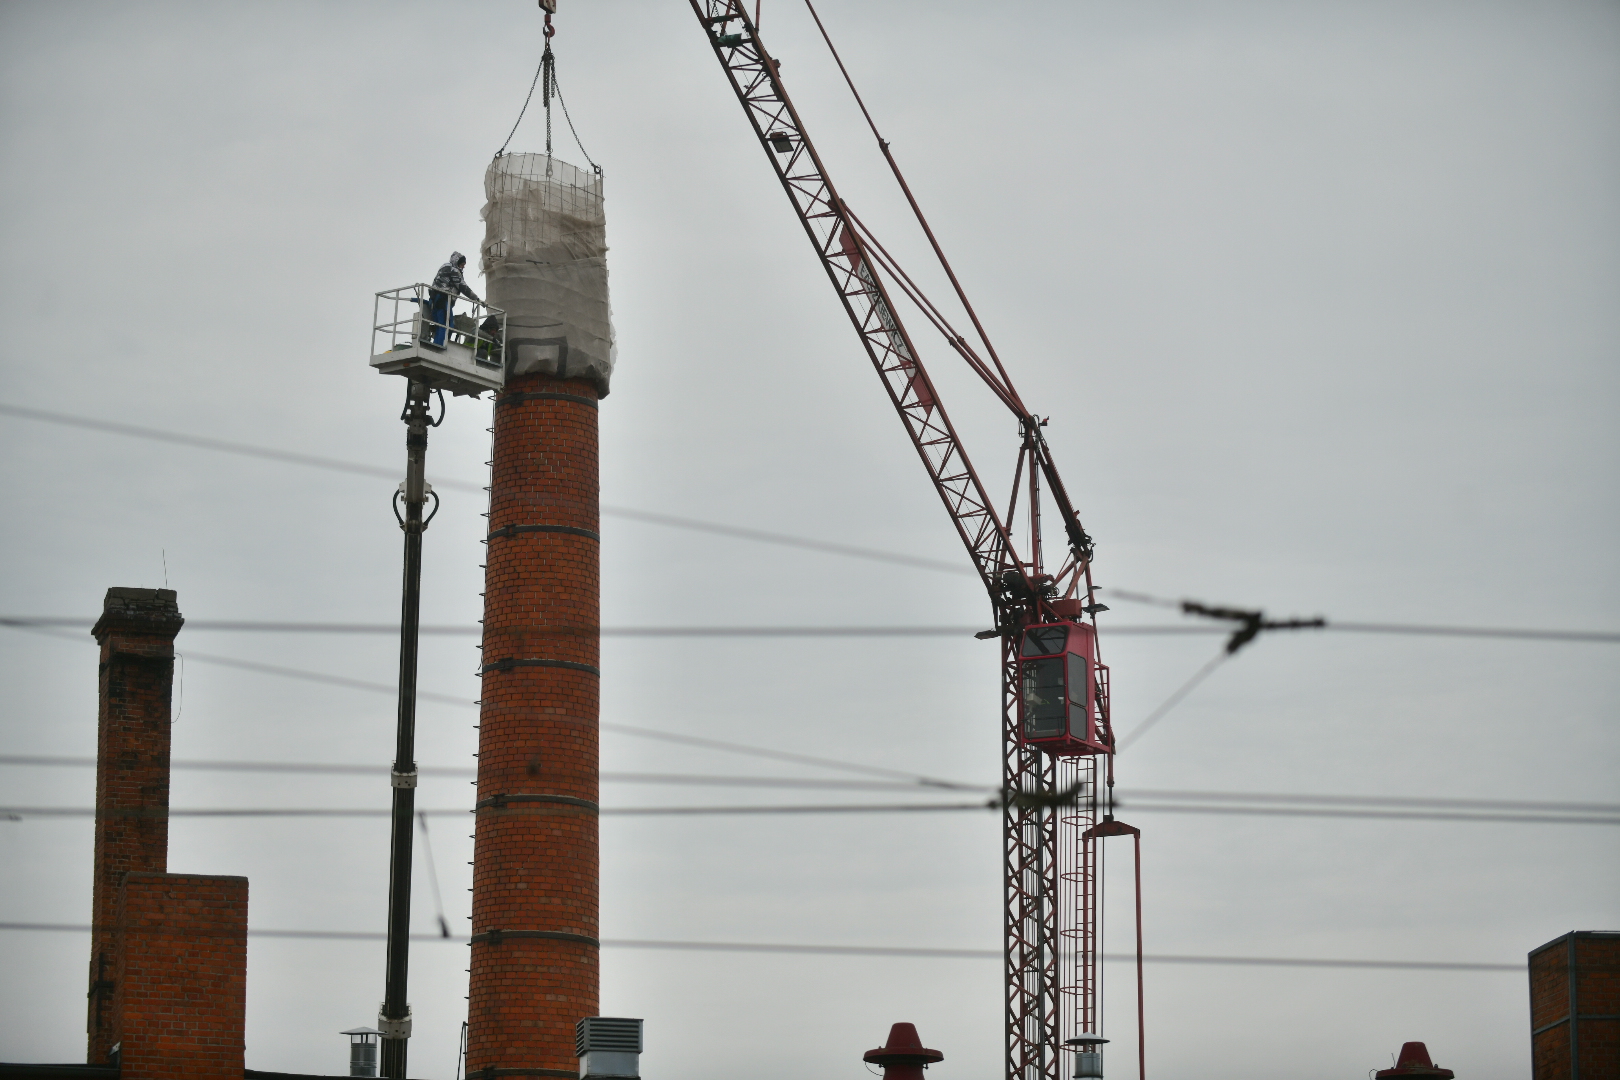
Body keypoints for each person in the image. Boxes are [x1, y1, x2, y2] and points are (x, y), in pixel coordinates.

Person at [422, 251, 482, 349]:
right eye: (462, 264)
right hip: (443, 299)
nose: (463, 267)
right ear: (457, 262)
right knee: (447, 325)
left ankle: (435, 345)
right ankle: (439, 347)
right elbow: (463, 287)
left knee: (439, 325)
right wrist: (477, 299)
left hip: (435, 300)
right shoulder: (453, 270)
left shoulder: (444, 267)